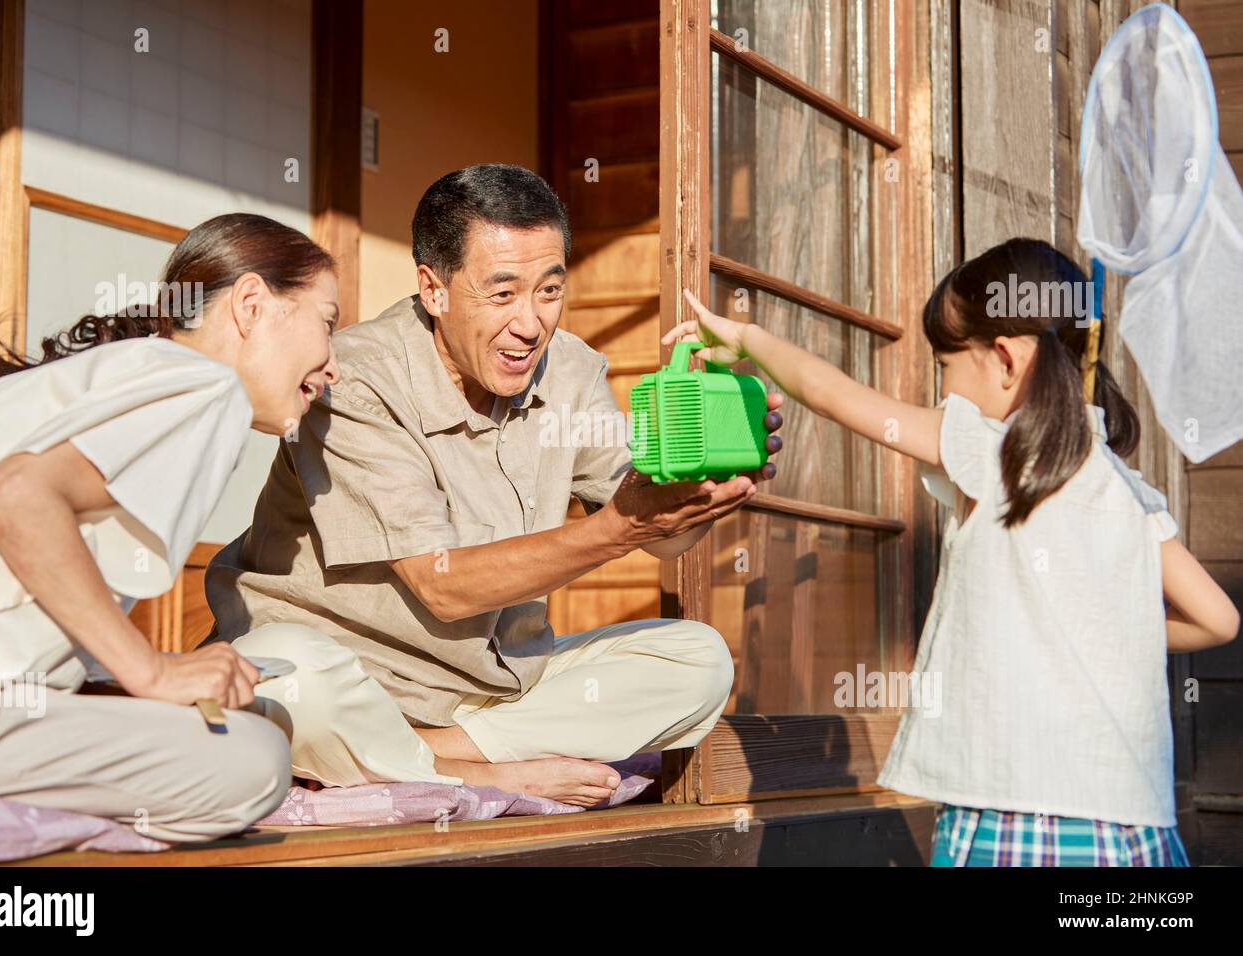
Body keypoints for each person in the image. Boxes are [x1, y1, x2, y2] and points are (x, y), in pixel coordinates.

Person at [206, 164, 784, 806]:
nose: (532, 324)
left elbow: (663, 540)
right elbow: (444, 587)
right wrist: (617, 529)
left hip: (489, 695)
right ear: (434, 289)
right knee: (285, 680)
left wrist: (699, 485)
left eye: (549, 291)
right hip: (348, 677)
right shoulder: (356, 380)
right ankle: (474, 770)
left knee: (696, 660)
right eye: (502, 293)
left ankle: (417, 750)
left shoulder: (570, 369)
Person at [665, 237, 1239, 866]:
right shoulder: (1128, 490)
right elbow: (1217, 618)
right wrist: (1103, 624)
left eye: (944, 363)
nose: (941, 386)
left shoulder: (991, 451)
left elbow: (838, 397)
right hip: (1134, 830)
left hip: (1010, 812)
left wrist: (749, 340)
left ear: (1004, 359)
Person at [0, 213, 340, 842]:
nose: (332, 366)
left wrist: (135, 679)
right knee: (255, 756)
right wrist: (151, 672)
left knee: (246, 713)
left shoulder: (129, 372)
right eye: (327, 321)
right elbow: (15, 495)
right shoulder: (206, 386)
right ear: (252, 304)